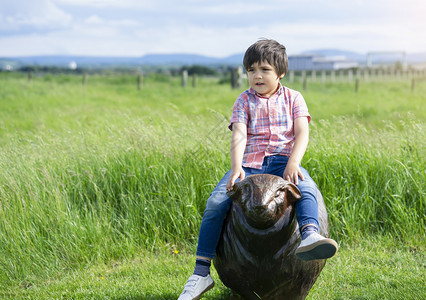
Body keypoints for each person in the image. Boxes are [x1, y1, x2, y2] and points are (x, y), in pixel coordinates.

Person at [178, 39, 338, 300]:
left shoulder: (294, 98)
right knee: (216, 202)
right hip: (250, 165)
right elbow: (239, 136)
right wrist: (235, 169)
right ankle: (200, 273)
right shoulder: (243, 101)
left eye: (264, 69)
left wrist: (293, 163)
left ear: (280, 73)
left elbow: (302, 133)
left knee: (305, 188)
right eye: (251, 70)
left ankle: (309, 235)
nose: (257, 76)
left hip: (283, 162)